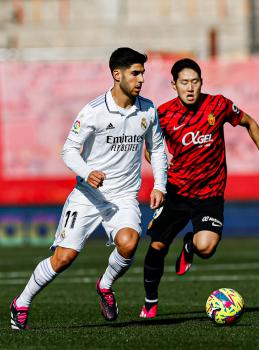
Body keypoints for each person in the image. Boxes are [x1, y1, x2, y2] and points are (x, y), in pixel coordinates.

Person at [10, 47, 167, 330]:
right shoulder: (93, 111)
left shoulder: (148, 109)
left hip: (123, 197)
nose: (141, 78)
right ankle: (21, 303)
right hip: (88, 196)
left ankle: (105, 285)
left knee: (129, 242)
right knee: (63, 258)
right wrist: (87, 172)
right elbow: (69, 150)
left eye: (142, 73)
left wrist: (160, 185)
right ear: (116, 75)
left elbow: (157, 150)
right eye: (135, 73)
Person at [139, 58, 259, 318]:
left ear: (201, 82)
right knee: (157, 245)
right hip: (177, 192)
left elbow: (250, 122)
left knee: (207, 248)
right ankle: (150, 301)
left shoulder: (218, 105)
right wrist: (160, 168)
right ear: (174, 85)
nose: (190, 88)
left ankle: (191, 245)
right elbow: (149, 148)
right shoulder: (163, 114)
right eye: (184, 82)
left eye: (194, 81)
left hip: (210, 194)